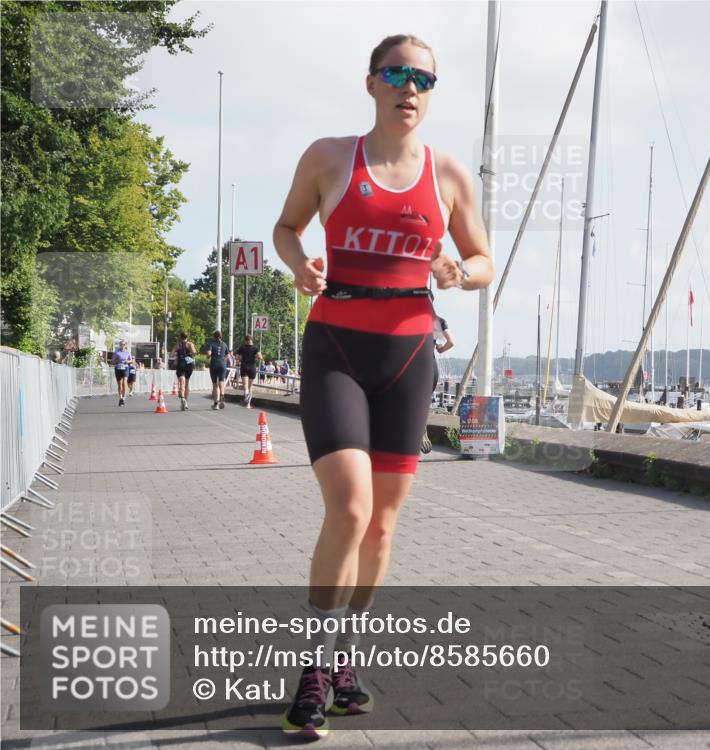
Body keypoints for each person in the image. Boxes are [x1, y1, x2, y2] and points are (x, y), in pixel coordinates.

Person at [272, 34, 493, 740]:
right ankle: (311, 670)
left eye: (425, 78)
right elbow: (285, 227)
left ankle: (344, 660)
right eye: (397, 74)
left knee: (384, 524)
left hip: (408, 359)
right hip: (336, 344)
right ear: (371, 83)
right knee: (351, 508)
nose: (411, 87)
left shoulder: (450, 175)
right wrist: (298, 263)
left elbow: (484, 257)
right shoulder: (331, 157)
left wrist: (464, 272)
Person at [420, 313, 455, 454]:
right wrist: (441, 349)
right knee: (424, 400)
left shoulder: (412, 319)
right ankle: (421, 426)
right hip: (431, 366)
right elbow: (451, 342)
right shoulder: (440, 321)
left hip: (415, 364)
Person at [205, 330, 230, 410]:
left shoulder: (211, 344)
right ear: (221, 336)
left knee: (215, 384)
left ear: (214, 336)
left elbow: (209, 354)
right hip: (222, 365)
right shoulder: (225, 344)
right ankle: (222, 395)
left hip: (214, 365)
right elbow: (228, 355)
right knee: (222, 381)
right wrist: (223, 360)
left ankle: (216, 404)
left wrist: (208, 356)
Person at [236, 335, 262, 408]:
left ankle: (246, 398)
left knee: (245, 386)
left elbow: (237, 357)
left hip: (244, 366)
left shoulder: (242, 347)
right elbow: (260, 357)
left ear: (245, 340)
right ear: (252, 340)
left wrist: (241, 358)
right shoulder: (255, 348)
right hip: (252, 367)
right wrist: (255, 357)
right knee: (250, 386)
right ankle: (248, 404)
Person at [172, 332, 196, 411]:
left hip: (181, 364)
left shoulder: (178, 344)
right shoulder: (190, 344)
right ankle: (185, 401)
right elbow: (194, 353)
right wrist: (190, 353)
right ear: (187, 337)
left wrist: (176, 355)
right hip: (189, 364)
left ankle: (182, 398)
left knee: (182, 382)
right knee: (186, 383)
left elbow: (171, 354)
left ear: (180, 337)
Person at [111, 341, 132, 407]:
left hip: (125, 368)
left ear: (125, 345)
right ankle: (120, 398)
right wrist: (116, 361)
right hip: (118, 368)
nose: (122, 345)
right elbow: (112, 361)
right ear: (119, 345)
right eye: (121, 344)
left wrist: (127, 361)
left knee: (124, 383)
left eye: (123, 344)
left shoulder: (127, 352)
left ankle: (123, 398)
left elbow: (131, 360)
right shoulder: (116, 352)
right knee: (119, 384)